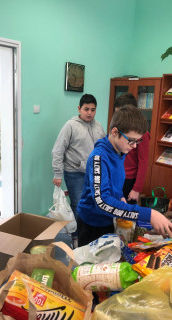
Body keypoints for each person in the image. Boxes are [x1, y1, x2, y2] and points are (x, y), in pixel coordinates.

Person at [77, 105, 172, 247]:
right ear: (114, 131)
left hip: (108, 220)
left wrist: (119, 197)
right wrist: (149, 214)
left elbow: (113, 185)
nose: (134, 146)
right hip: (92, 224)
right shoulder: (98, 157)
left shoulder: (120, 151)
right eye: (131, 140)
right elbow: (102, 202)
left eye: (138, 141)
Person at [52, 94, 105, 246]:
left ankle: (88, 234)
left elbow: (102, 149)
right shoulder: (70, 126)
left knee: (93, 204)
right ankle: (76, 238)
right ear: (79, 109)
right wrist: (57, 174)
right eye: (86, 109)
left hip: (93, 173)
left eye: (93, 110)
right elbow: (58, 150)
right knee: (78, 205)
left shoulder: (98, 126)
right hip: (74, 172)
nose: (89, 113)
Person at [114, 93, 150, 203]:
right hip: (118, 175)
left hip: (129, 180)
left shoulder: (142, 134)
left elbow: (143, 162)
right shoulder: (119, 130)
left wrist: (136, 189)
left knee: (126, 214)